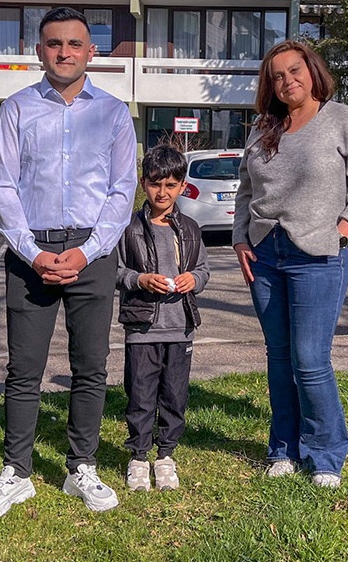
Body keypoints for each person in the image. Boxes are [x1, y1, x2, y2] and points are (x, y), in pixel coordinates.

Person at [0, 6, 137, 518]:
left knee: (91, 366)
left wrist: (87, 252)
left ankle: (80, 467)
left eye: (74, 44)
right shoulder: (17, 108)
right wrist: (34, 251)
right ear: (39, 49)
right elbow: (2, 183)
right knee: (24, 369)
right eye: (53, 43)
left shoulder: (112, 112)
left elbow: (122, 189)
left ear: (91, 51)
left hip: (93, 252)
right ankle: (16, 472)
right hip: (31, 253)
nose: (63, 52)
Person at [232, 40, 348, 489]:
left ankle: (326, 454)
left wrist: (344, 230)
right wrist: (240, 239)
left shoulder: (342, 120)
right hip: (265, 254)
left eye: (294, 70)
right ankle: (283, 449)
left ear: (313, 72)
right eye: (277, 75)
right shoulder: (262, 130)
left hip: (319, 255)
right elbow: (244, 191)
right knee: (279, 357)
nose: (287, 81)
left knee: (310, 360)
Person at [117, 145, 210, 494]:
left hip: (181, 328)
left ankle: (166, 456)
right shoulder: (129, 229)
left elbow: (203, 269)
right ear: (144, 183)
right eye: (156, 184)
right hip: (142, 327)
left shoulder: (190, 228)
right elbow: (116, 270)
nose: (162, 192)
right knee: (140, 396)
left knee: (174, 395)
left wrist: (193, 280)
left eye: (170, 185)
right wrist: (139, 280)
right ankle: (139, 457)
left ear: (182, 186)